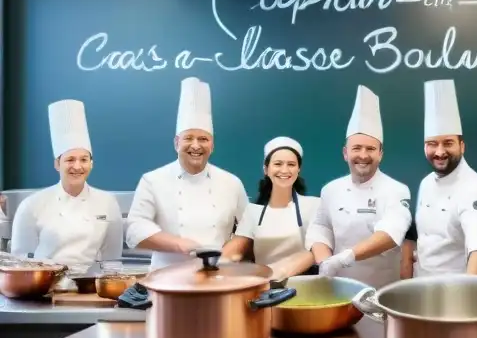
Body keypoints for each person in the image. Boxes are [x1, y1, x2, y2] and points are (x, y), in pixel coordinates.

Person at [125, 77, 249, 271]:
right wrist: (179, 244)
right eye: (188, 138)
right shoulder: (152, 180)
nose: (196, 146)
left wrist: (226, 256)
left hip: (219, 278)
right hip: (166, 280)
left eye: (203, 139)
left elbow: (247, 229)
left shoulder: (231, 182)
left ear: (212, 145)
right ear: (176, 143)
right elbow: (134, 229)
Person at [306, 85, 412, 286]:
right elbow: (321, 227)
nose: (363, 155)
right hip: (338, 290)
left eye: (370, 149)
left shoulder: (397, 190)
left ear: (380, 154)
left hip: (380, 292)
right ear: (345, 153)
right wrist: (324, 261)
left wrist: (345, 257)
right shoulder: (330, 190)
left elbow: (391, 233)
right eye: (357, 148)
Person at [11, 100, 123, 266]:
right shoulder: (32, 205)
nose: (77, 166)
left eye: (84, 159)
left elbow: (112, 259)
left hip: (89, 286)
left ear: (91, 163)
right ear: (57, 164)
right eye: (70, 159)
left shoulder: (108, 202)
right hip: (45, 286)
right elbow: (20, 261)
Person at [402, 79, 477, 277]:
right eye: (432, 143)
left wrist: (470, 288)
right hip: (420, 285)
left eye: (448, 143)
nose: (440, 151)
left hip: (455, 288)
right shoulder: (426, 182)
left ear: (462, 146)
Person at [221, 137, 320, 278]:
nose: (284, 170)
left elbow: (315, 252)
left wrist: (278, 272)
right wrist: (209, 266)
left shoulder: (314, 206)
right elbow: (235, 249)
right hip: (264, 289)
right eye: (278, 164)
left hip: (304, 286)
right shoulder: (253, 212)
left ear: (299, 169)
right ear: (266, 169)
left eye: (291, 164)